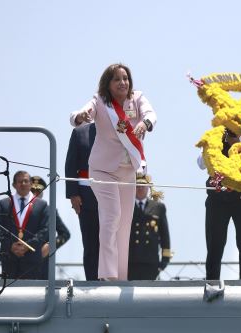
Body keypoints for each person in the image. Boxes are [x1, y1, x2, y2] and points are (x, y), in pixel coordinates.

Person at [70, 63, 157, 281]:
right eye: (117, 79)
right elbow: (77, 115)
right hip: (102, 170)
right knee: (112, 216)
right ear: (107, 84)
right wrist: (81, 116)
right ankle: (107, 274)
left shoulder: (137, 98)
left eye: (125, 78)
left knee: (125, 223)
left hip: (128, 170)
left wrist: (144, 124)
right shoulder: (99, 101)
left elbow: (151, 114)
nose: (122, 83)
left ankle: (120, 275)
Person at [197, 129, 241, 280]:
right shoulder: (216, 136)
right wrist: (216, 143)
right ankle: (212, 282)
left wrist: (240, 144)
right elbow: (201, 164)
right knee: (214, 245)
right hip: (218, 200)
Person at [0, 171, 49, 279]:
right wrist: (11, 245)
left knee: (33, 294)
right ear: (14, 185)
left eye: (26, 181)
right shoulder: (4, 203)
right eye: (20, 181)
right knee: (7, 294)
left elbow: (45, 229)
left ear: (30, 184)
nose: (23, 184)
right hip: (9, 256)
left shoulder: (41, 205)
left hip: (32, 258)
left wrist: (27, 246)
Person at [64, 122, 100, 280]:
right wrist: (73, 194)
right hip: (86, 197)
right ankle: (92, 281)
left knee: (114, 243)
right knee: (91, 243)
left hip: (114, 194)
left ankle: (113, 280)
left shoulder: (119, 129)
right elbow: (70, 164)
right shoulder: (80, 132)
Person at [128, 175, 171, 280]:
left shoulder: (158, 207)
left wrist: (165, 260)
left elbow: (164, 235)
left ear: (148, 187)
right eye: (137, 185)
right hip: (131, 261)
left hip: (151, 261)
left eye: (143, 185)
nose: (140, 188)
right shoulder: (126, 206)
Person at [30, 176, 71, 279]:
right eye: (32, 191)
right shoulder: (16, 210)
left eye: (38, 191)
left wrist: (50, 246)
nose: (35, 194)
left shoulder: (50, 210)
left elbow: (65, 234)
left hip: (41, 263)